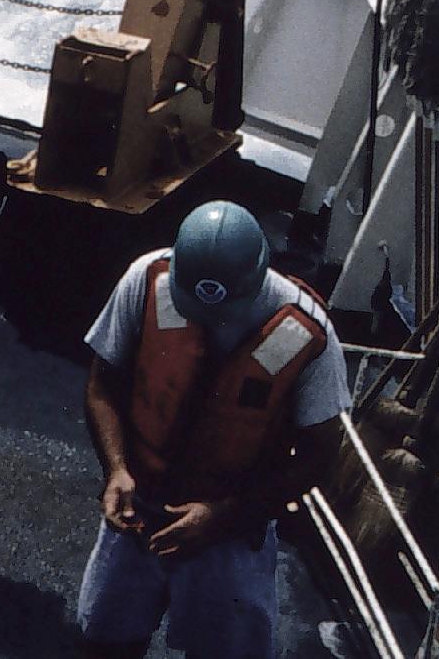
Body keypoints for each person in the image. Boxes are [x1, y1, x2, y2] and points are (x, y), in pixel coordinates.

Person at [77, 199, 350, 659]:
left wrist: (227, 514)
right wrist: (116, 470)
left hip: (231, 528)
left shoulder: (309, 334)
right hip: (139, 504)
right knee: (104, 640)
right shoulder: (146, 279)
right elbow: (102, 385)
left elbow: (321, 452)